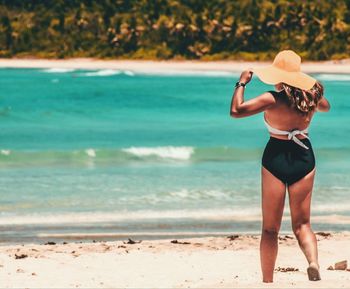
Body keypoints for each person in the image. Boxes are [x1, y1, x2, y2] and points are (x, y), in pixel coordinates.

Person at [229, 50, 330, 283]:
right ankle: (313, 262)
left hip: (275, 156)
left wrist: (241, 83)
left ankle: (267, 281)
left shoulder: (271, 99)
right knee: (303, 223)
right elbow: (326, 106)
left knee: (270, 229)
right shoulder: (311, 99)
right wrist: (308, 87)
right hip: (304, 157)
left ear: (278, 75)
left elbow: (236, 111)